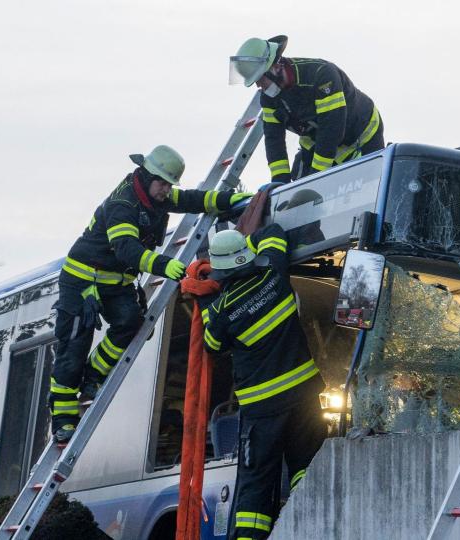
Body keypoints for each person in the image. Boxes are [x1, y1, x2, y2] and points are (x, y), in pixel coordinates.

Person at [48, 145, 252, 442]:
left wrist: (233, 201)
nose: (167, 190)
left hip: (116, 281)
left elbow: (195, 199)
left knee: (131, 323)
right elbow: (126, 248)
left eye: (170, 184)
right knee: (73, 347)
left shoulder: (157, 196)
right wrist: (163, 264)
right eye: (162, 183)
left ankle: (93, 375)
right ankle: (63, 418)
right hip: (83, 280)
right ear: (145, 176)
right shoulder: (123, 204)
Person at [200, 225, 326, 540]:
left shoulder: (222, 310)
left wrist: (202, 299)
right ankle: (308, 527)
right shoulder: (274, 273)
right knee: (306, 465)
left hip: (263, 409)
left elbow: (212, 346)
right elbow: (273, 230)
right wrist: (250, 241)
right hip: (304, 395)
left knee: (257, 480)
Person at [229, 35, 384, 183]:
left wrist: (316, 177)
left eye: (260, 79)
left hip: (362, 134)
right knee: (299, 187)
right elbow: (273, 139)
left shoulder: (321, 75)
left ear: (276, 67)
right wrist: (279, 180)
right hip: (317, 141)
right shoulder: (268, 98)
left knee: (369, 184)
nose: (258, 86)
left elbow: (331, 130)